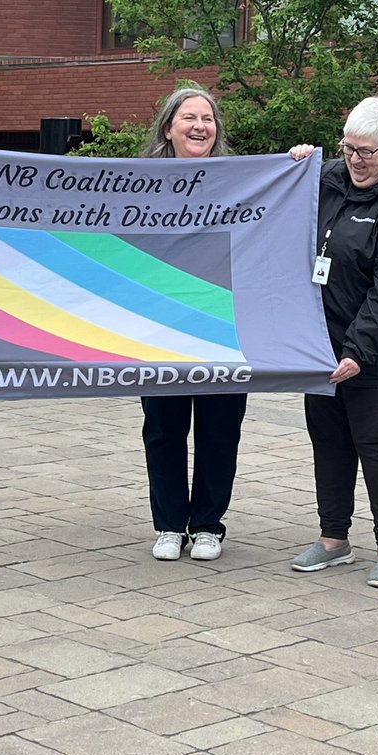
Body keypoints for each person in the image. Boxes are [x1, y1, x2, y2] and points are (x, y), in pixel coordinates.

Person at [289, 97, 378, 588]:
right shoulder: (326, 179)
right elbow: (281, 202)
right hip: (321, 346)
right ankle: (334, 539)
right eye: (348, 148)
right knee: (327, 441)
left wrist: (357, 351)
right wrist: (294, 162)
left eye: (367, 151)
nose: (355, 160)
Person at [140, 87, 247, 561]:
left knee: (219, 429)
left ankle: (207, 524)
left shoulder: (241, 181)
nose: (200, 125)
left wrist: (297, 163)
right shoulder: (137, 184)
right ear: (169, 128)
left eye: (208, 118)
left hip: (224, 326)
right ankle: (168, 524)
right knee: (163, 429)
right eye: (189, 117)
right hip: (157, 327)